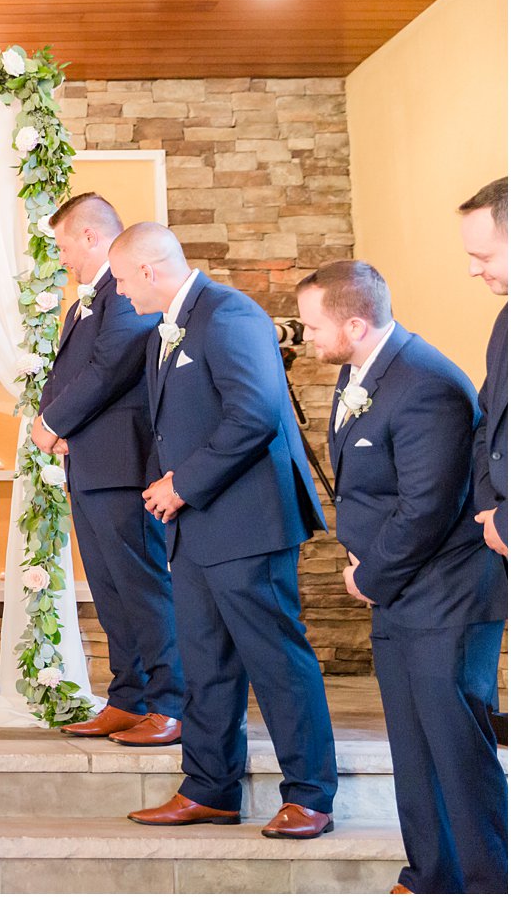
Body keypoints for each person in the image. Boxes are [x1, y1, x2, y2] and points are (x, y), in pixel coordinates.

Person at [110, 223, 338, 840]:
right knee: (207, 663)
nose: (122, 293)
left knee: (277, 662)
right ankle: (209, 788)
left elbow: (256, 413)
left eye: (125, 280)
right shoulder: (170, 326)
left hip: (246, 522)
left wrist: (182, 483)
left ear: (151, 271)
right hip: (195, 528)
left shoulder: (230, 313)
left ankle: (310, 795)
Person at [298, 260, 506, 894]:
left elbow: (430, 505)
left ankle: (490, 879)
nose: (305, 339)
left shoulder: (426, 384)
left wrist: (371, 574)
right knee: (413, 749)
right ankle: (429, 875)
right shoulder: (357, 371)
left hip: (447, 593)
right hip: (403, 592)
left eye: (312, 327)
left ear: (355, 324)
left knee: (457, 749)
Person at [29, 193, 184, 746]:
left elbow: (108, 367)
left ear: (90, 237)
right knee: (110, 588)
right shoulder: (82, 303)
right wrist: (48, 418)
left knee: (141, 586)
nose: (63, 256)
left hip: (123, 462)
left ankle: (170, 702)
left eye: (65, 243)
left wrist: (53, 421)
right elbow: (66, 371)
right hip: (89, 463)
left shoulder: (122, 293)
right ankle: (128, 697)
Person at [459, 177, 508, 560]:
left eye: (485, 257)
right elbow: (489, 422)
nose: (473, 270)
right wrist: (492, 509)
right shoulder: (505, 321)